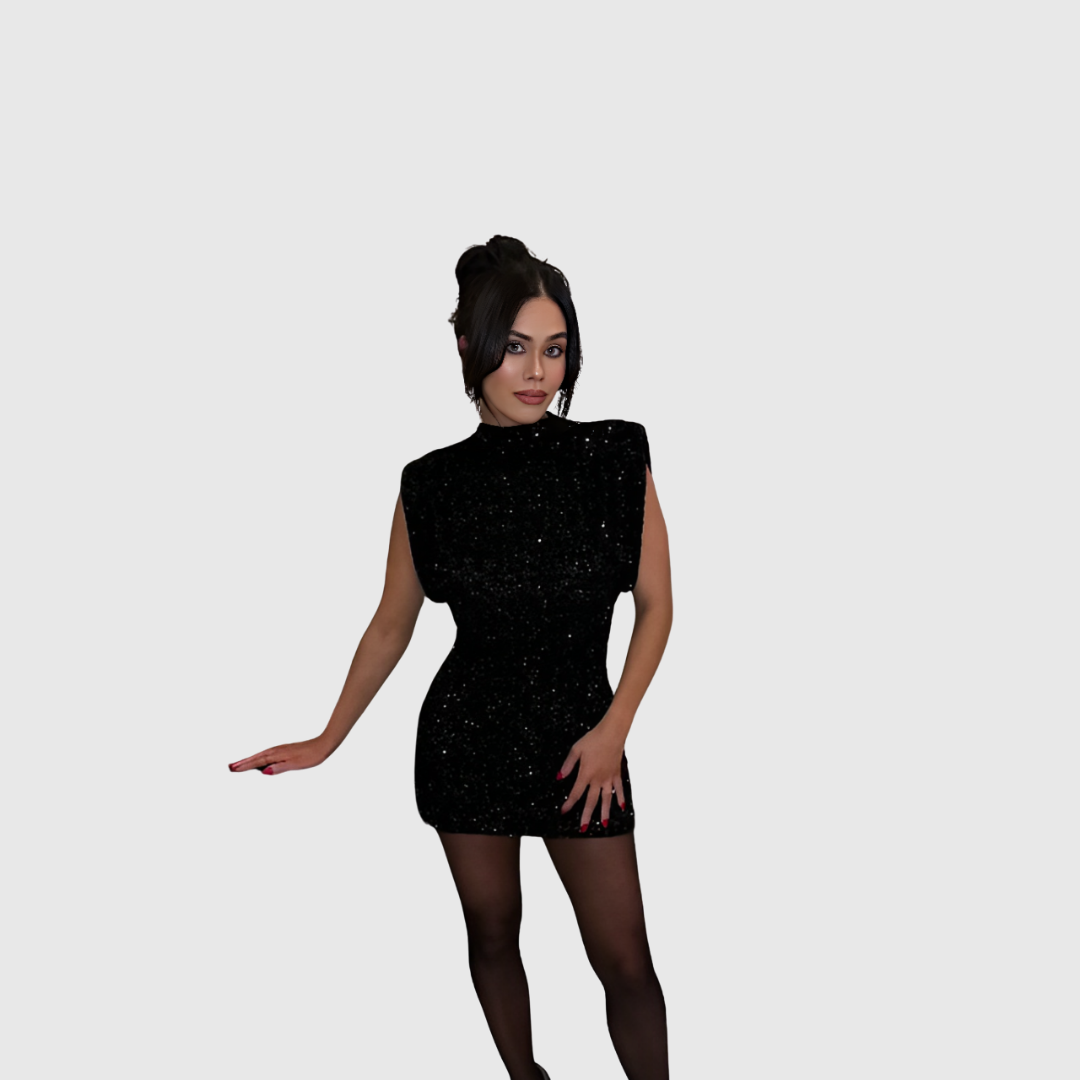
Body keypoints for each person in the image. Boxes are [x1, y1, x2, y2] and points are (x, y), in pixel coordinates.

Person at [228, 235, 673, 1080]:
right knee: (492, 932)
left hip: (587, 745)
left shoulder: (617, 455)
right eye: (515, 348)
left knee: (625, 960)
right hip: (467, 742)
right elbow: (390, 626)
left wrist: (614, 730)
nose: (537, 372)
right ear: (469, 346)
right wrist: (327, 738)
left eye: (555, 350)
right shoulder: (428, 484)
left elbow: (657, 606)